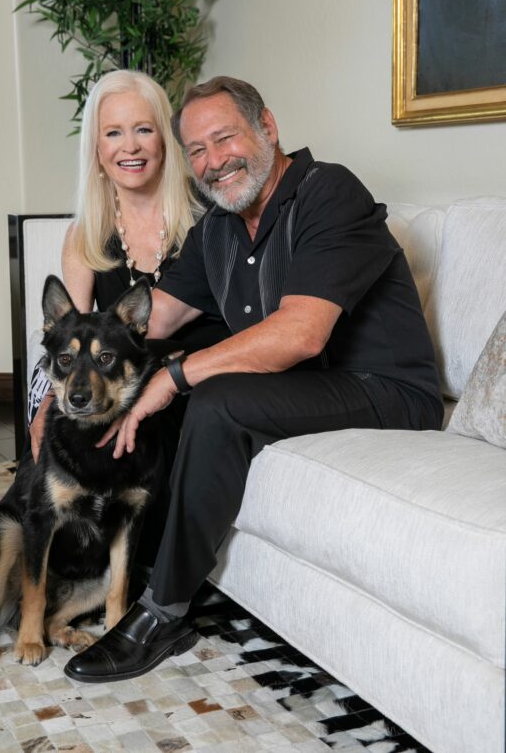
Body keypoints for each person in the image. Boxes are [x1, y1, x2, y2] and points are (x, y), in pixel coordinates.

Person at [64, 75, 444, 684]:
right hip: (309, 388)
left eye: (225, 139)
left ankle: (162, 613)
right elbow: (155, 317)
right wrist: (76, 366)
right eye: (198, 151)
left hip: (387, 390)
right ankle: (133, 567)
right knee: (180, 395)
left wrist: (174, 376)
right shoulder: (219, 227)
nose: (214, 162)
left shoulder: (329, 192)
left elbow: (301, 334)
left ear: (266, 127)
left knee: (210, 398)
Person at [28, 69, 228, 459]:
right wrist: (44, 408)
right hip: (124, 378)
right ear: (97, 149)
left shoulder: (212, 213)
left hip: (201, 378)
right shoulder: (85, 235)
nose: (130, 147)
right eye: (113, 133)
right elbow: (71, 338)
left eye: (144, 130)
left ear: (166, 141)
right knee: (54, 420)